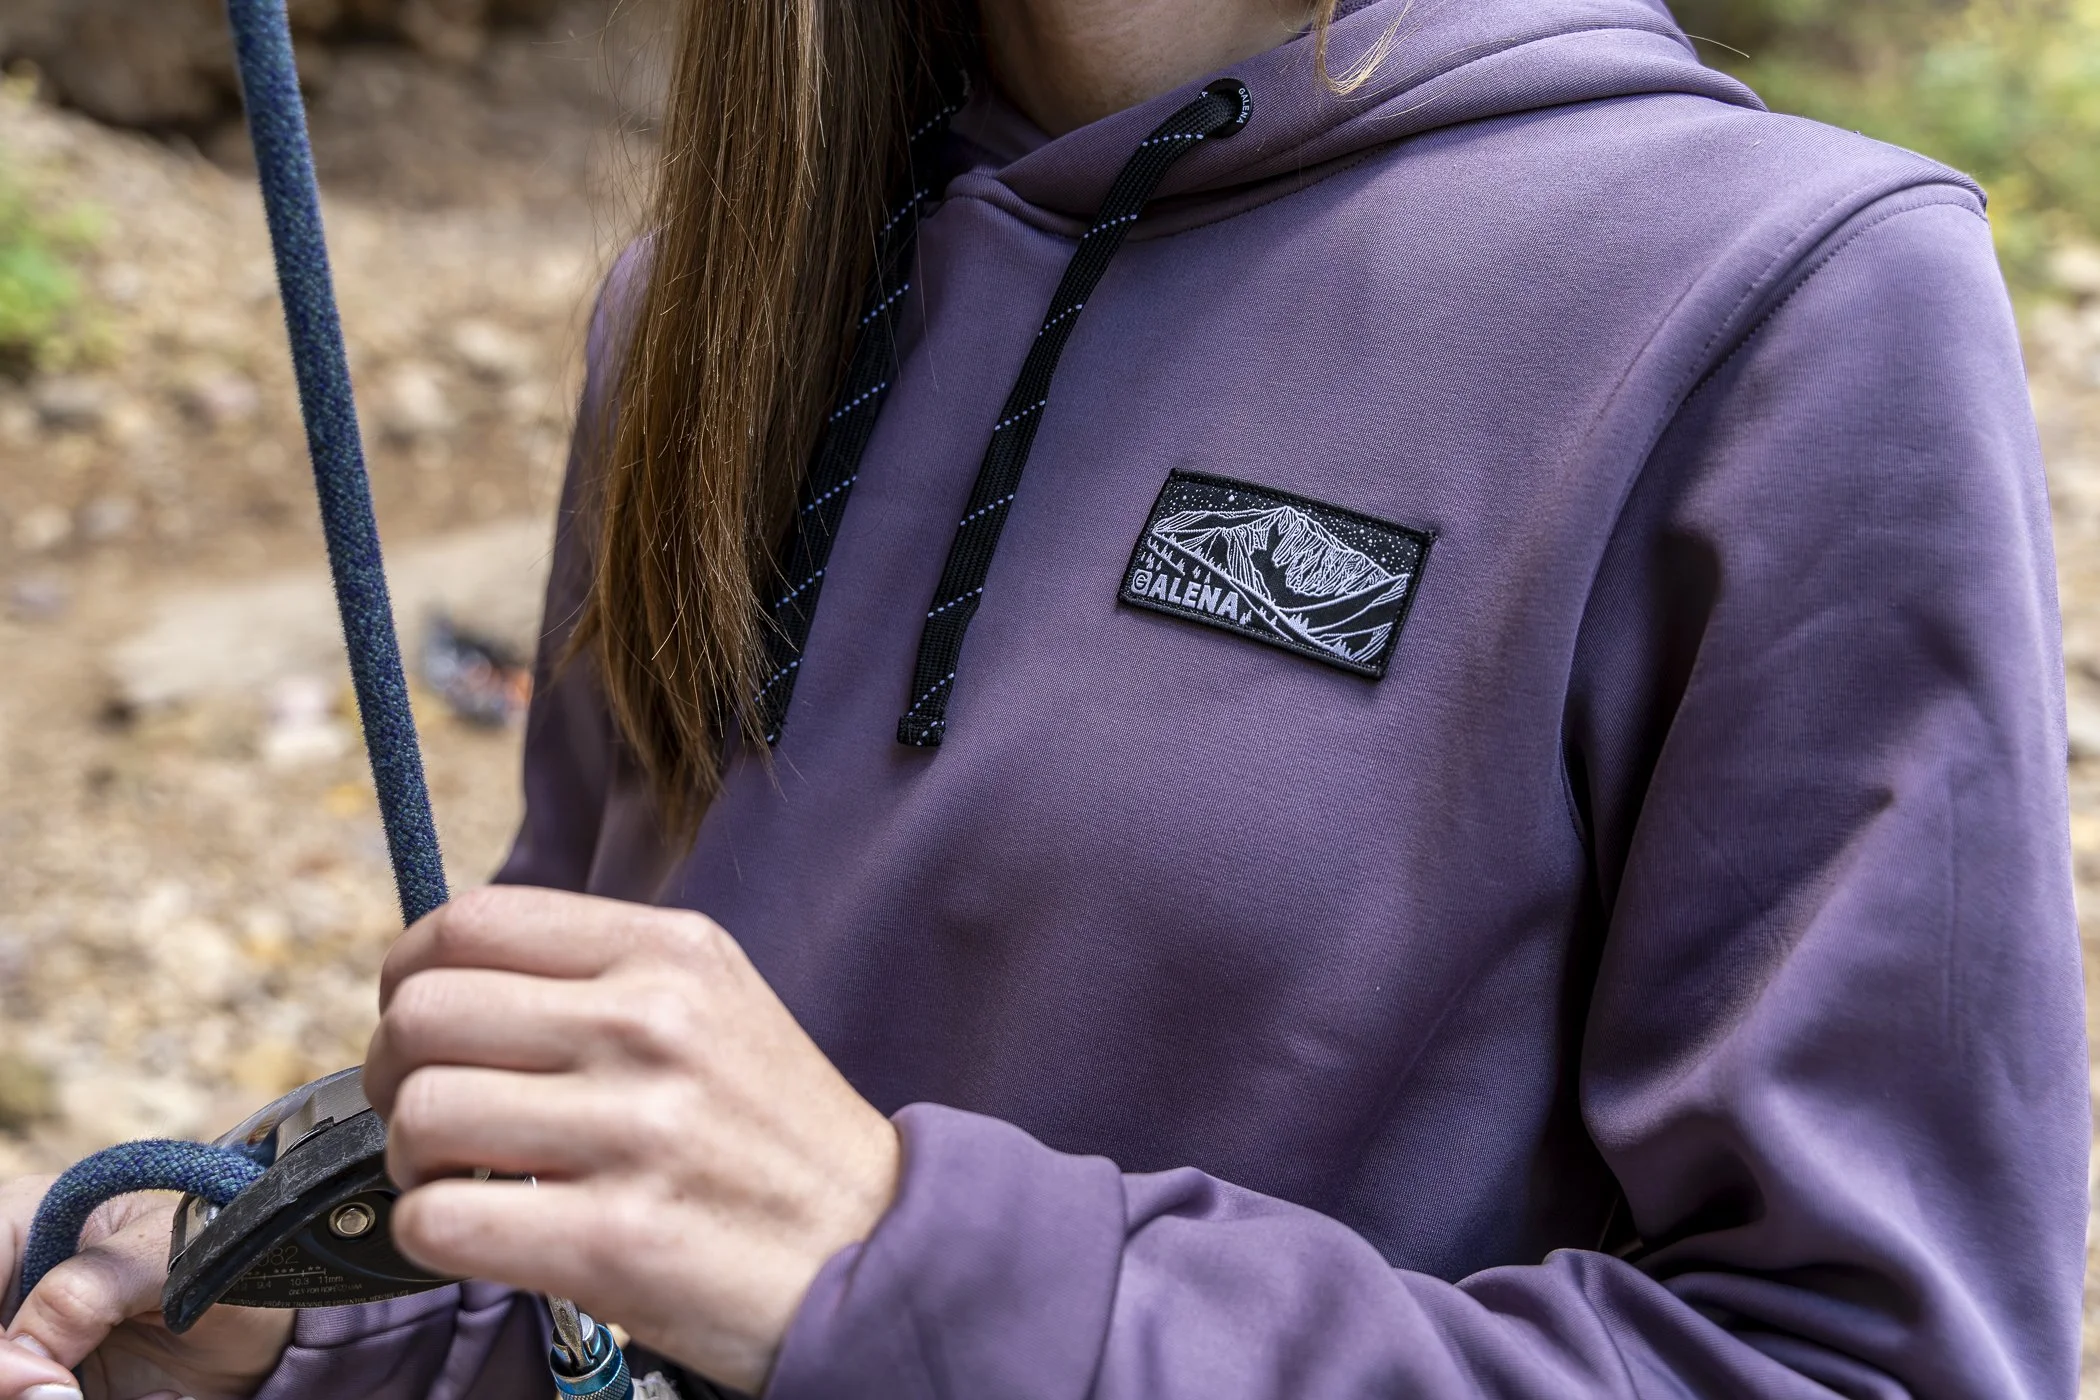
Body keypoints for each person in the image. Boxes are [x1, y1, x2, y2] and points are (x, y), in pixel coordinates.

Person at [2, 0, 2087, 1395]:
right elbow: (597, 1252)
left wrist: (911, 1256)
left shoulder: (1783, 303)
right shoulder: (720, 298)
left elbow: (1868, 1361)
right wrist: (296, 1333)